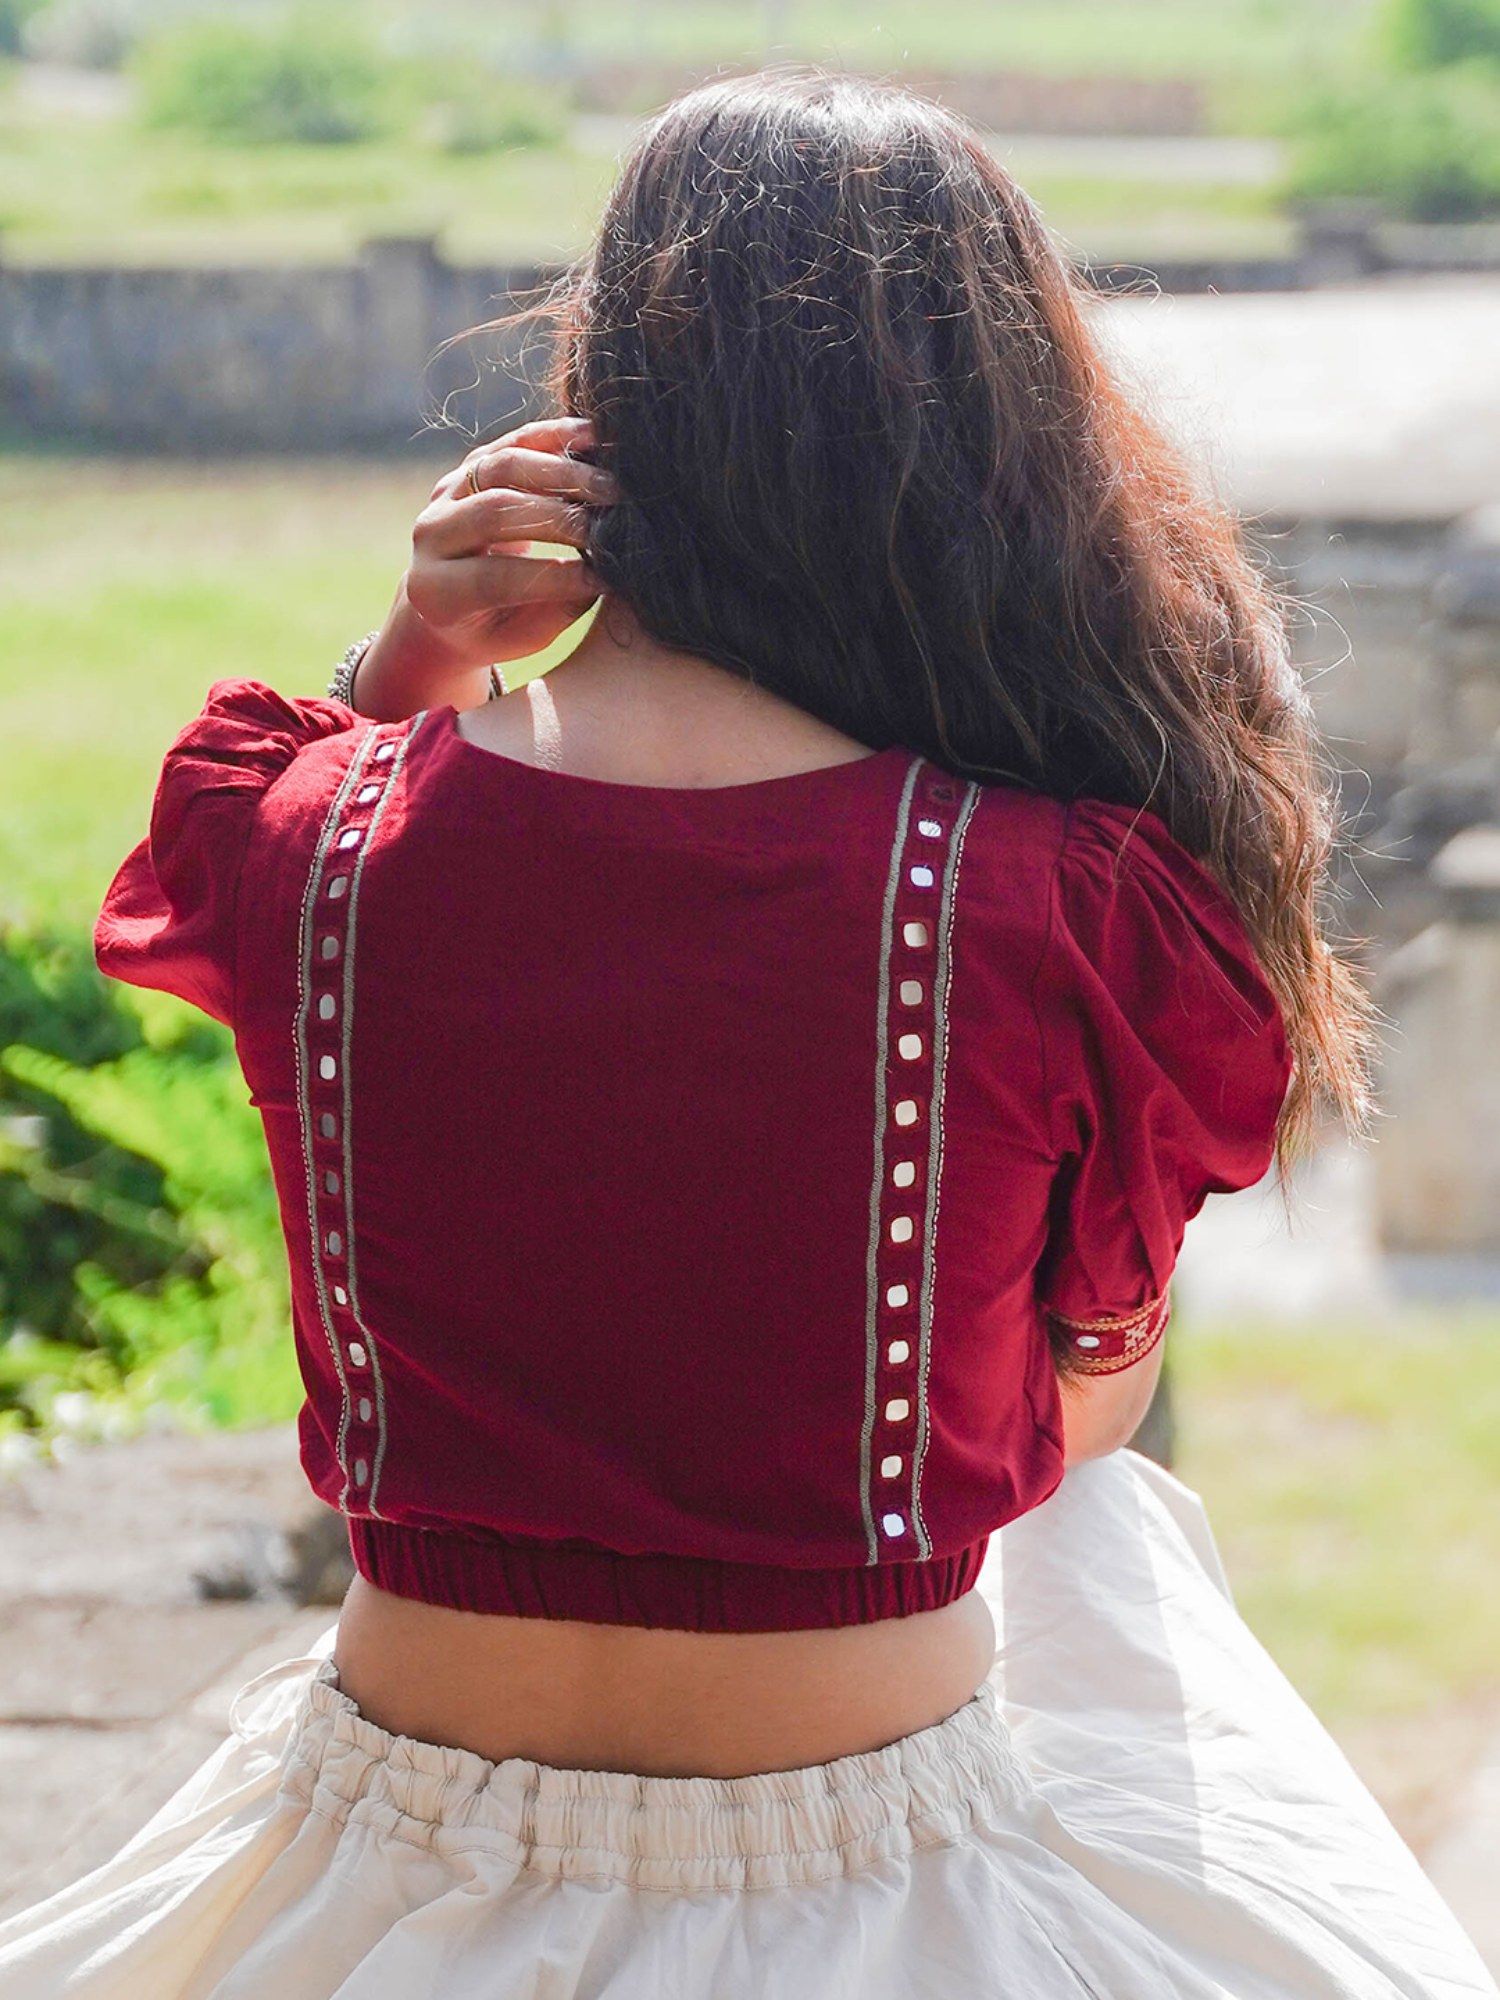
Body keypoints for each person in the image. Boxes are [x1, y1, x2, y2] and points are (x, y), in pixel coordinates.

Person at [0, 63, 1493, 2000]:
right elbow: (1072, 1427)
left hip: (370, 1881)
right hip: (873, 1883)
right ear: (995, 439)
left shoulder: (317, 843)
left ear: (602, 400)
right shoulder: (1046, 907)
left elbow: (260, 839)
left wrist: (416, 657)